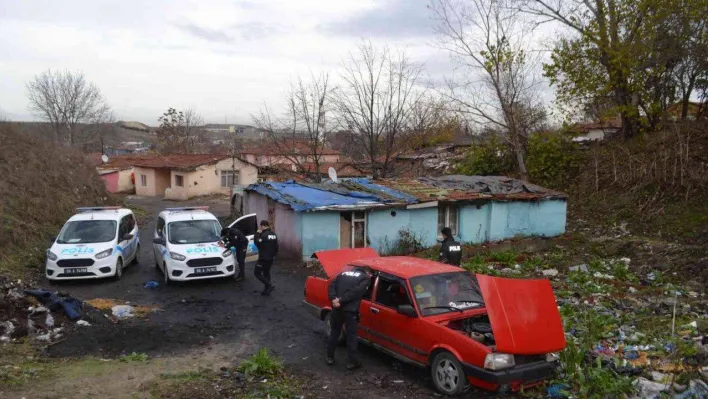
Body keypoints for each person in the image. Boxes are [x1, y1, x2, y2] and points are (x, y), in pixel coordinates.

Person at [326, 266, 373, 370]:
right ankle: (352, 362)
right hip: (350, 311)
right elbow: (356, 292)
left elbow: (331, 286)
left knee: (334, 332)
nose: (370, 277)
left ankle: (329, 357)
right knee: (351, 336)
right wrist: (341, 300)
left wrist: (334, 299)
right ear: (367, 272)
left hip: (337, 309)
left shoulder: (343, 274)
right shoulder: (365, 278)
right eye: (371, 275)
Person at [253, 220, 278, 295]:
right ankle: (266, 290)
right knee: (266, 273)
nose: (261, 228)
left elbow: (256, 241)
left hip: (263, 258)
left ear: (263, 226)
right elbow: (276, 247)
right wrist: (274, 255)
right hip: (271, 258)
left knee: (257, 273)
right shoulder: (274, 234)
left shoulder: (263, 235)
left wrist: (257, 233)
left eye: (261, 226)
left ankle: (268, 285)